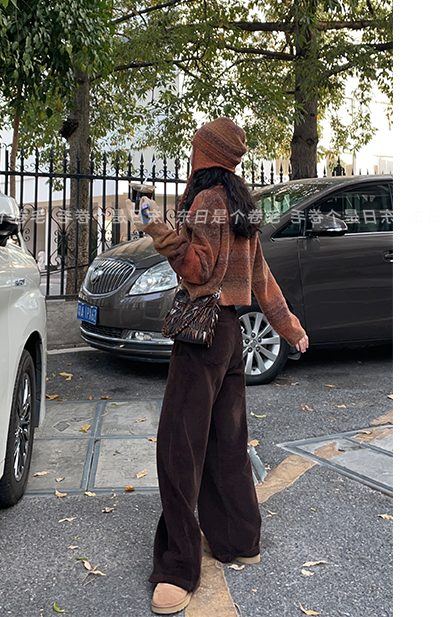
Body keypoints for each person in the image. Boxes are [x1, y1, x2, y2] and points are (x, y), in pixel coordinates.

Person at [126, 117, 309, 615]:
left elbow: (198, 268)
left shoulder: (207, 200)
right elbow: (261, 276)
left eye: (195, 148)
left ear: (206, 154)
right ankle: (238, 540)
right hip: (231, 336)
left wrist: (157, 228)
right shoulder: (239, 200)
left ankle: (178, 568)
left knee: (179, 448)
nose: (190, 155)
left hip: (203, 334)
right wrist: (289, 326)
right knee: (227, 442)